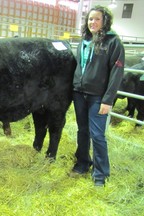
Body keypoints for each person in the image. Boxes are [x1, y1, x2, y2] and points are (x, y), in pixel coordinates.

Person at [72, 5, 125, 186]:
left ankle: (101, 173)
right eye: (89, 19)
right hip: (79, 93)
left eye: (96, 19)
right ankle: (82, 163)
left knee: (97, 135)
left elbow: (117, 73)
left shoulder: (113, 42)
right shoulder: (84, 40)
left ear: (105, 21)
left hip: (97, 97)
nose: (92, 22)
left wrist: (108, 100)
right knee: (82, 131)